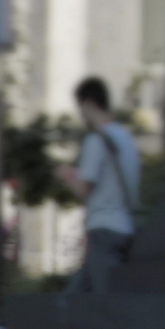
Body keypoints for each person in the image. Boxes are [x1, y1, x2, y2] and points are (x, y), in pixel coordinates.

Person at [56, 78, 141, 294]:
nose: (81, 115)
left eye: (80, 107)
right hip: (126, 227)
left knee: (100, 306)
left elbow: (84, 190)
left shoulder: (96, 140)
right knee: (76, 300)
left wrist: (66, 176)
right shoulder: (126, 138)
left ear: (89, 103)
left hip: (103, 230)